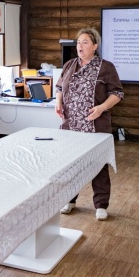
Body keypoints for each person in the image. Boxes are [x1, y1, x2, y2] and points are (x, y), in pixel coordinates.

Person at [55, 27, 124, 221]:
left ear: (95, 46)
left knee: (98, 164)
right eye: (78, 42)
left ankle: (101, 205)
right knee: (69, 164)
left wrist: (102, 107)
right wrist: (58, 102)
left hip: (95, 125)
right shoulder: (69, 65)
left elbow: (117, 93)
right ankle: (69, 200)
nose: (80, 46)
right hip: (71, 126)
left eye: (85, 42)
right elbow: (59, 87)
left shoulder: (106, 67)